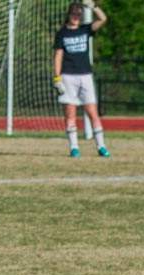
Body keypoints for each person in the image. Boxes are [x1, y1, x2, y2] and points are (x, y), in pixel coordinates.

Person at [52, 0, 109, 158]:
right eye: (74, 13)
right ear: (69, 15)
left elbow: (103, 19)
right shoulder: (62, 33)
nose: (76, 16)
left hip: (85, 76)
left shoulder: (85, 29)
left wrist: (93, 6)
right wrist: (57, 78)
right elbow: (58, 56)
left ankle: (101, 146)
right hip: (68, 76)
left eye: (79, 14)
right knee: (70, 114)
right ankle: (74, 148)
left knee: (92, 112)